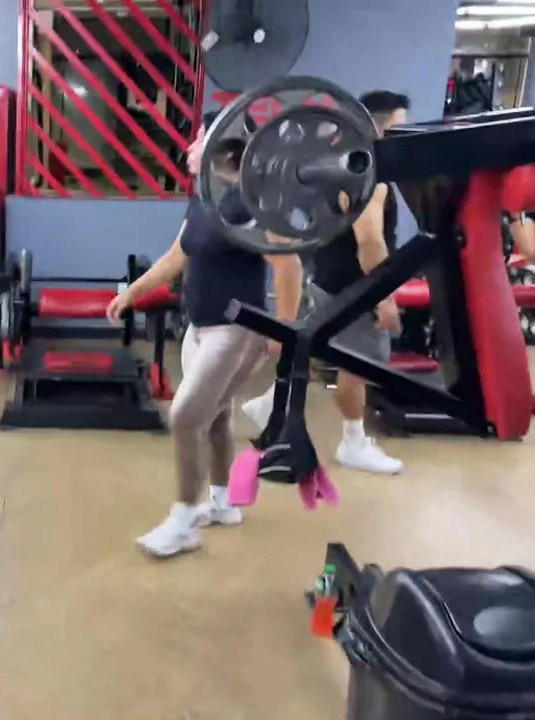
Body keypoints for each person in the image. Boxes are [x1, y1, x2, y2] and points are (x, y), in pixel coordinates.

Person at [106, 123, 304, 558]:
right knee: (216, 417)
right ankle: (221, 503)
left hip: (237, 329)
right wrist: (131, 293)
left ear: (225, 149)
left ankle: (184, 520)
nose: (190, 146)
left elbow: (288, 265)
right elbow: (176, 257)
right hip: (199, 327)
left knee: (185, 417)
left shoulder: (255, 201)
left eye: (199, 138)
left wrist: (284, 331)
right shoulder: (204, 198)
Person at [242, 90, 409, 476]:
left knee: (316, 348)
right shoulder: (371, 176)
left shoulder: (333, 165)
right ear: (379, 126)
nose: (406, 133)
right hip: (356, 288)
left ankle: (269, 402)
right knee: (360, 365)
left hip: (327, 278)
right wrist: (383, 297)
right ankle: (353, 442)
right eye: (400, 126)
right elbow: (369, 240)